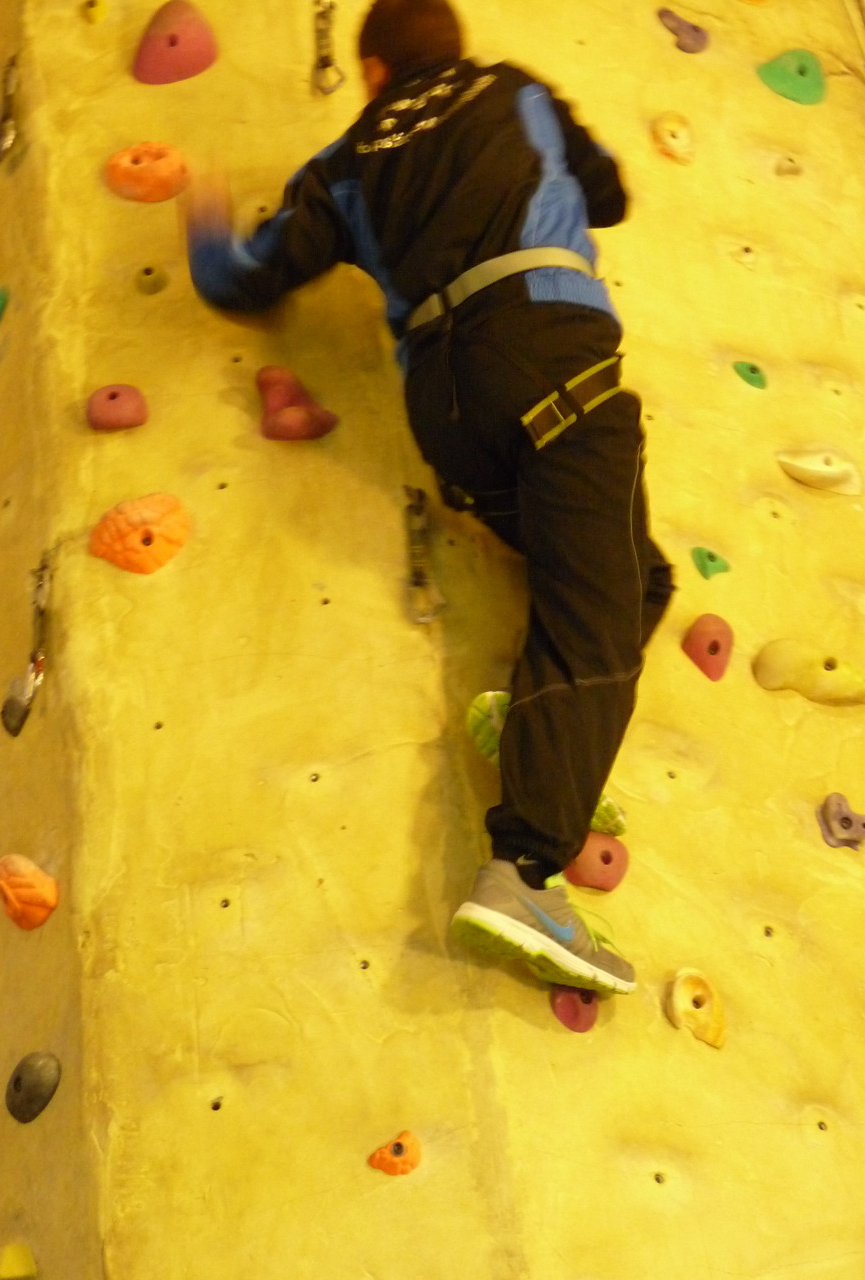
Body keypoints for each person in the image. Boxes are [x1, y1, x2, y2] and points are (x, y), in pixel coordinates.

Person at [184, 0, 674, 996]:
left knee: (632, 582)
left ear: (372, 71)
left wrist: (201, 224)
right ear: (450, 49)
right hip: (550, 354)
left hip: (449, 414)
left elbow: (249, 275)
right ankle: (523, 871)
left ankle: (533, 727)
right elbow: (611, 194)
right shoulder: (512, 92)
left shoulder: (349, 158)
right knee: (598, 618)